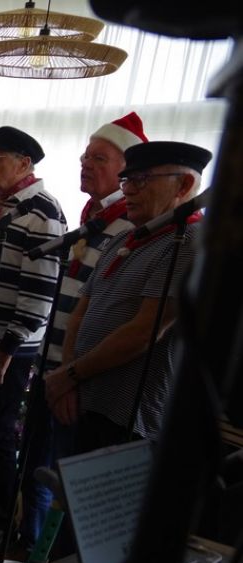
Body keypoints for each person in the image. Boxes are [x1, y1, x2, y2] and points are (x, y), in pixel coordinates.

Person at [14, 113, 146, 553]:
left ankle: (47, 560)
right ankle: (27, 546)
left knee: (62, 472)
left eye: (99, 158)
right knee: (36, 461)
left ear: (127, 170)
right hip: (51, 364)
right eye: (85, 156)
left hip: (75, 376)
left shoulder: (128, 227)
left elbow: (103, 314)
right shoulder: (94, 217)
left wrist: (70, 375)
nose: (85, 164)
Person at [46, 140, 211, 450]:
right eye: (126, 180)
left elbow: (145, 331)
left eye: (141, 180)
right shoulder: (124, 238)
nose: (128, 191)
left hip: (128, 418)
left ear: (184, 185)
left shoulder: (191, 242)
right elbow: (80, 312)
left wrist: (71, 375)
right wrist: (68, 376)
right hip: (80, 397)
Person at [0, 126, 66, 554]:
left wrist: (8, 349)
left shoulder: (42, 212)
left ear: (24, 163)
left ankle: (5, 527)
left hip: (11, 347)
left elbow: (40, 292)